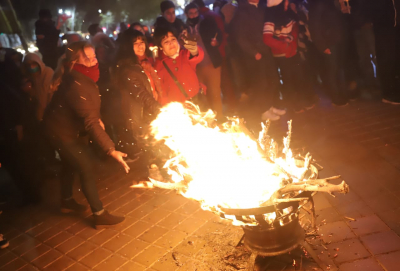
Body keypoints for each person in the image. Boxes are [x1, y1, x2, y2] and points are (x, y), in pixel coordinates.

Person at [43, 41, 129, 229]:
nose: (92, 62)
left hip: (65, 127)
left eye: (94, 57)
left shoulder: (78, 76)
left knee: (70, 163)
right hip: (61, 132)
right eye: (86, 58)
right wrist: (111, 149)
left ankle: (66, 201)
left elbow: (86, 111)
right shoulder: (77, 84)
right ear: (75, 62)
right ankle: (99, 214)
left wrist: (96, 118)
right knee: (86, 166)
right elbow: (89, 120)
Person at [230, 0, 284, 120]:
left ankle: (269, 106)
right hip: (254, 55)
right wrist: (254, 52)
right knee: (261, 83)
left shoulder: (260, 7)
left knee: (272, 79)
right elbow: (240, 37)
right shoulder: (242, 12)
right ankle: (263, 110)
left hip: (265, 50)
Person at [113, 29, 161, 161]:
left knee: (154, 151)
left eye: (142, 42)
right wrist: (161, 111)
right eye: (135, 43)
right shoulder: (128, 69)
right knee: (151, 153)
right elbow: (141, 94)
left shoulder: (144, 63)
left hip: (148, 111)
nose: (141, 46)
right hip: (140, 116)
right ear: (128, 46)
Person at [264, 0, 315, 113]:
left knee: (298, 77)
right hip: (282, 56)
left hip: (293, 52)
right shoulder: (270, 19)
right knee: (288, 81)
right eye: (284, 2)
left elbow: (295, 26)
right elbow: (267, 38)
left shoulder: (287, 15)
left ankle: (301, 102)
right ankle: (294, 105)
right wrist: (284, 46)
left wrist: (292, 38)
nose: (287, 3)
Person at [185, 2, 224, 117]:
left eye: (195, 12)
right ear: (187, 14)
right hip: (196, 68)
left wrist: (216, 41)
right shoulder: (185, 29)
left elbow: (218, 34)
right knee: (203, 95)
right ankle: (210, 119)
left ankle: (220, 118)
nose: (194, 15)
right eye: (191, 13)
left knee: (215, 93)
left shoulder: (207, 22)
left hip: (211, 63)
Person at [308, 0, 348, 107]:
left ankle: (342, 95)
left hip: (337, 40)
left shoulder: (332, 2)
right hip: (329, 42)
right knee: (332, 70)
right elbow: (314, 25)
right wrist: (322, 45)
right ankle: (336, 97)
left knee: (339, 68)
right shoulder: (319, 3)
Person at [154, 27, 205, 106]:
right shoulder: (159, 65)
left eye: (173, 39)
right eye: (166, 42)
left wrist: (195, 50)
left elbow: (197, 57)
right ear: (160, 47)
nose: (171, 43)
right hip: (176, 108)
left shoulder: (185, 54)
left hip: (195, 102)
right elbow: (161, 90)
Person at [363, 0, 400, 104]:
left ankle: (394, 91)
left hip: (395, 27)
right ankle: (388, 94)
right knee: (386, 60)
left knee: (395, 60)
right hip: (384, 28)